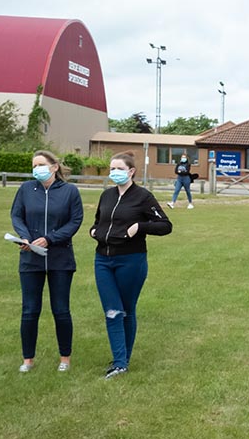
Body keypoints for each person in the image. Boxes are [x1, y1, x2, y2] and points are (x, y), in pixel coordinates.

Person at [88, 152, 172, 378]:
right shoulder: (106, 196)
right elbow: (98, 221)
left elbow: (165, 225)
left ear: (131, 171)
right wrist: (93, 231)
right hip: (103, 260)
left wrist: (139, 227)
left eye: (118, 169)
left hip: (131, 261)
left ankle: (122, 360)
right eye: (111, 169)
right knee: (113, 311)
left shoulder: (143, 197)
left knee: (126, 310)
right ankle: (119, 362)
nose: (113, 173)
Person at [11, 150, 84, 372]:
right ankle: (27, 360)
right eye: (34, 165)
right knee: (30, 310)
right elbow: (16, 215)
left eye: (41, 164)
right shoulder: (25, 189)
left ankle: (65, 358)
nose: (36, 169)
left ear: (54, 167)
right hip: (30, 259)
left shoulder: (70, 191)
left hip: (60, 259)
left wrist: (50, 239)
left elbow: (75, 221)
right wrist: (24, 237)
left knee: (61, 310)